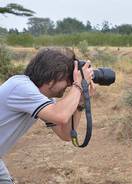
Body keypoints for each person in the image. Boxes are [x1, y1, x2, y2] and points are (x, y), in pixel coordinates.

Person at [0, 48, 95, 183]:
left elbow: (66, 134)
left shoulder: (44, 99)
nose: (69, 84)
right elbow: (61, 115)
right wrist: (79, 84)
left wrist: (79, 103)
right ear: (52, 76)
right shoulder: (20, 86)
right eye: (68, 78)